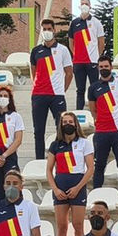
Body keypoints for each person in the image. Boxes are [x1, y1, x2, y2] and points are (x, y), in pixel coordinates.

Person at [46, 111, 94, 236]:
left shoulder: (84, 143)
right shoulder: (55, 145)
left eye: (70, 122)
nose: (68, 125)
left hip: (78, 187)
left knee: (78, 225)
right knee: (61, 227)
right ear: (61, 125)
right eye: (65, 122)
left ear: (75, 124)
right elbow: (48, 170)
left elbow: (90, 168)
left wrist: (78, 187)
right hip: (60, 187)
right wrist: (55, 189)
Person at [29, 18, 73, 160]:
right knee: (38, 130)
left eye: (49, 29)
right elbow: (33, 73)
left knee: (61, 128)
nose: (47, 32)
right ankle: (39, 160)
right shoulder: (35, 51)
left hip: (57, 95)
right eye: (44, 29)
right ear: (41, 31)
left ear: (54, 30)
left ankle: (61, 157)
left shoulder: (63, 50)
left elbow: (69, 73)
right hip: (38, 95)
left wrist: (62, 90)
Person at [88, 54, 118, 189]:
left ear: (111, 67)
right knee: (99, 165)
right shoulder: (93, 88)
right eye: (101, 67)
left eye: (106, 66)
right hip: (101, 132)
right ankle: (96, 193)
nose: (103, 69)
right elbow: (93, 110)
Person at [70, 0, 106, 109]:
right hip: (78, 62)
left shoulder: (96, 22)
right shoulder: (74, 23)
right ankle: (79, 113)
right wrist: (75, 54)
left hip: (92, 61)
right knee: (80, 90)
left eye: (86, 3)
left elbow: (101, 42)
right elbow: (71, 41)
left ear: (90, 6)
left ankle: (97, 112)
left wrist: (97, 56)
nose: (84, 5)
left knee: (95, 88)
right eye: (82, 3)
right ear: (80, 6)